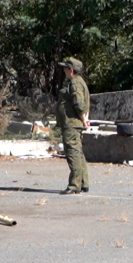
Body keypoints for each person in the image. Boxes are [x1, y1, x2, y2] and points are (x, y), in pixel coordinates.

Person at [56, 57, 91, 194]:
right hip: (75, 123)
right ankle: (83, 182)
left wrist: (83, 119)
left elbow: (79, 104)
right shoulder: (79, 82)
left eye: (65, 68)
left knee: (73, 154)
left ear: (71, 70)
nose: (64, 70)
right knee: (78, 153)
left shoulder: (75, 84)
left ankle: (74, 185)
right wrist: (85, 119)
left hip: (72, 124)